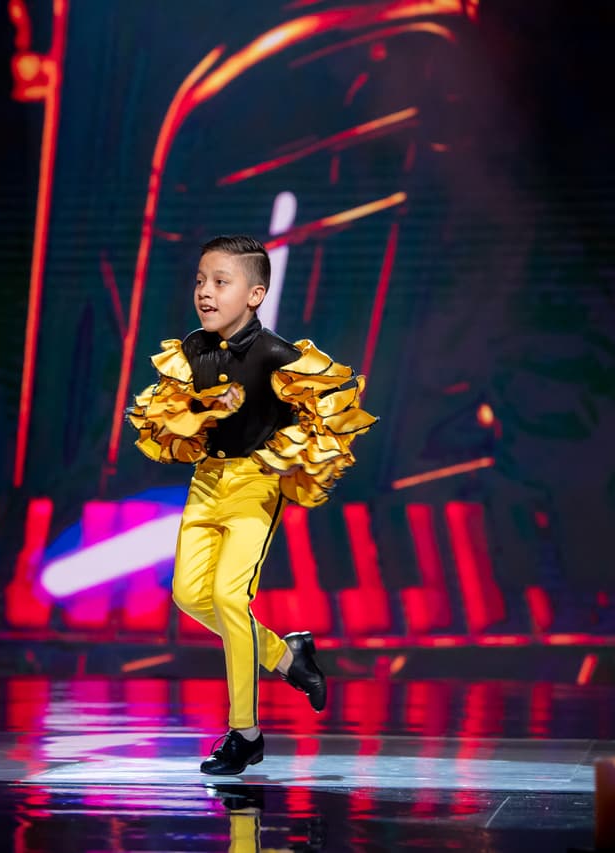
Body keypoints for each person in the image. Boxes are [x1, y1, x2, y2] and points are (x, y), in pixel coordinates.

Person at [126, 235, 374, 775]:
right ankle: (289, 657)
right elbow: (171, 409)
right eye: (200, 281)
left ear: (255, 293)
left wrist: (291, 456)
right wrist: (195, 410)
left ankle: (246, 733)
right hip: (206, 482)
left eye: (221, 282)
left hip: (254, 485)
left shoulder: (275, 354)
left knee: (228, 598)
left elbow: (329, 405)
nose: (205, 292)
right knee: (189, 595)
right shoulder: (194, 348)